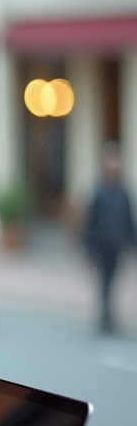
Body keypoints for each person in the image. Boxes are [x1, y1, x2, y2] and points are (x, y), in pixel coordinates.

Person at [81, 142, 136, 334]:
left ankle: (108, 315)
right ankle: (105, 316)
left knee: (113, 280)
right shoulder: (99, 191)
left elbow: (129, 219)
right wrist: (88, 246)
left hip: (117, 244)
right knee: (104, 281)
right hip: (101, 245)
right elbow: (90, 219)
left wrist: (132, 242)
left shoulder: (123, 191)